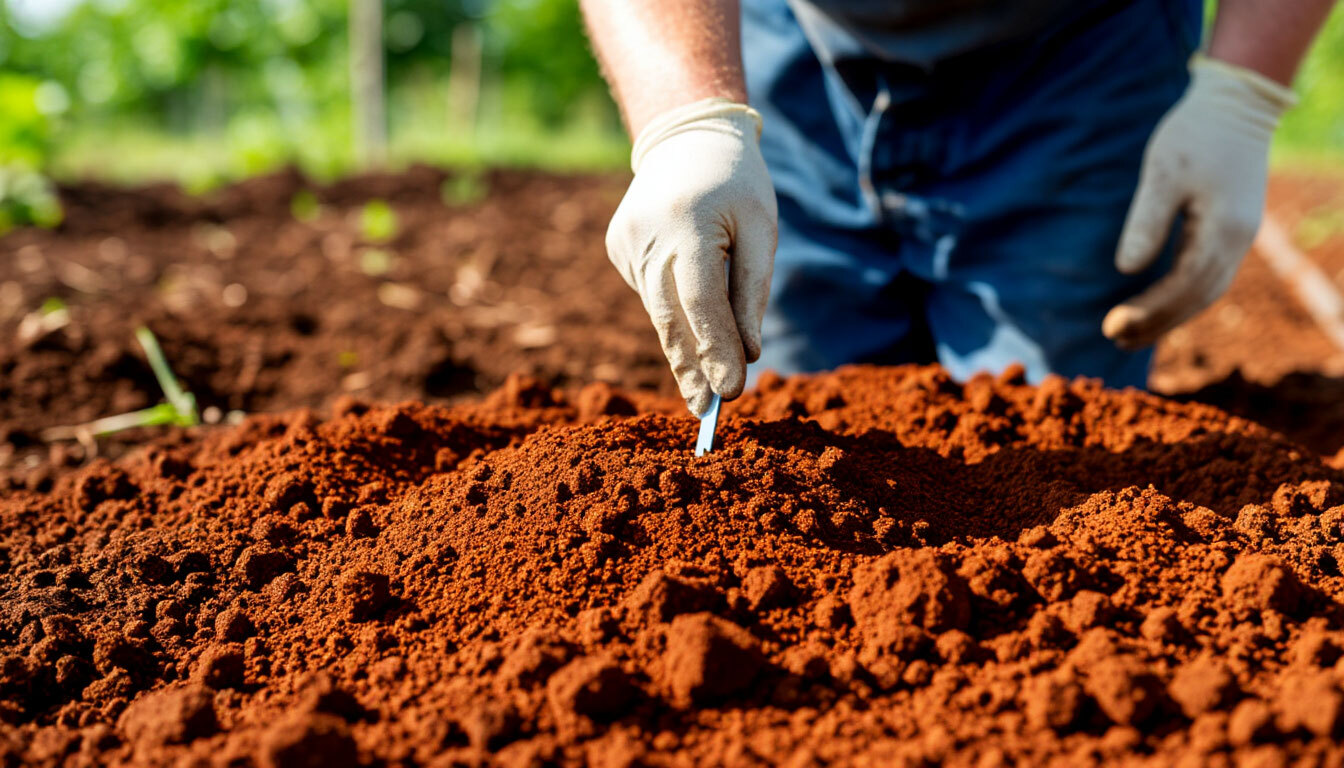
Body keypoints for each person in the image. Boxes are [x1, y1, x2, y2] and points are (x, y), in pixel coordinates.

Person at [579, 0, 1334, 417]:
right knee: (799, 424)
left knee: (1057, 443)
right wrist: (689, 121)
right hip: (795, 42)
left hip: (1080, 55)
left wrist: (1244, 89)